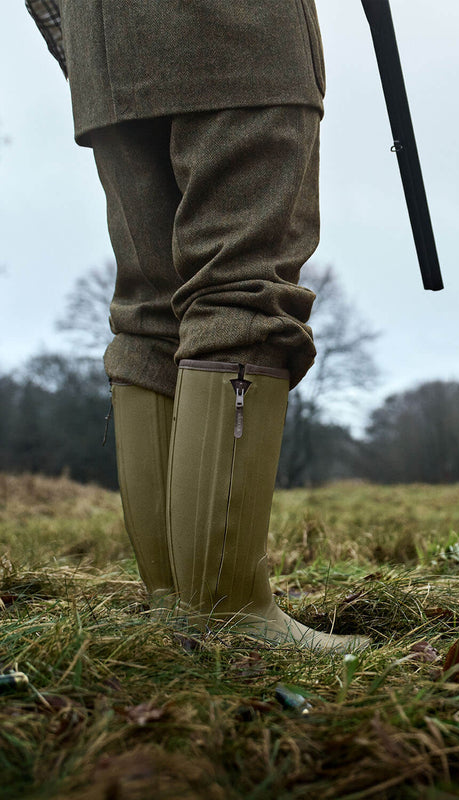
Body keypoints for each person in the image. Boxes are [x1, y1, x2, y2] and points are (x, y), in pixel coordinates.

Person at [26, 0, 367, 652]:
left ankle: (175, 606)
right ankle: (227, 611)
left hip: (105, 42)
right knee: (241, 287)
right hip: (233, 31)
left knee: (152, 308)